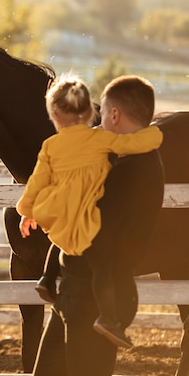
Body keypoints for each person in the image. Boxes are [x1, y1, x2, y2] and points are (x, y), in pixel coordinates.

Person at [31, 75, 165, 376]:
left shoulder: (132, 170)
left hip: (90, 299)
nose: (99, 121)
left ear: (114, 114)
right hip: (76, 291)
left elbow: (98, 236)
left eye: (102, 112)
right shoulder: (126, 160)